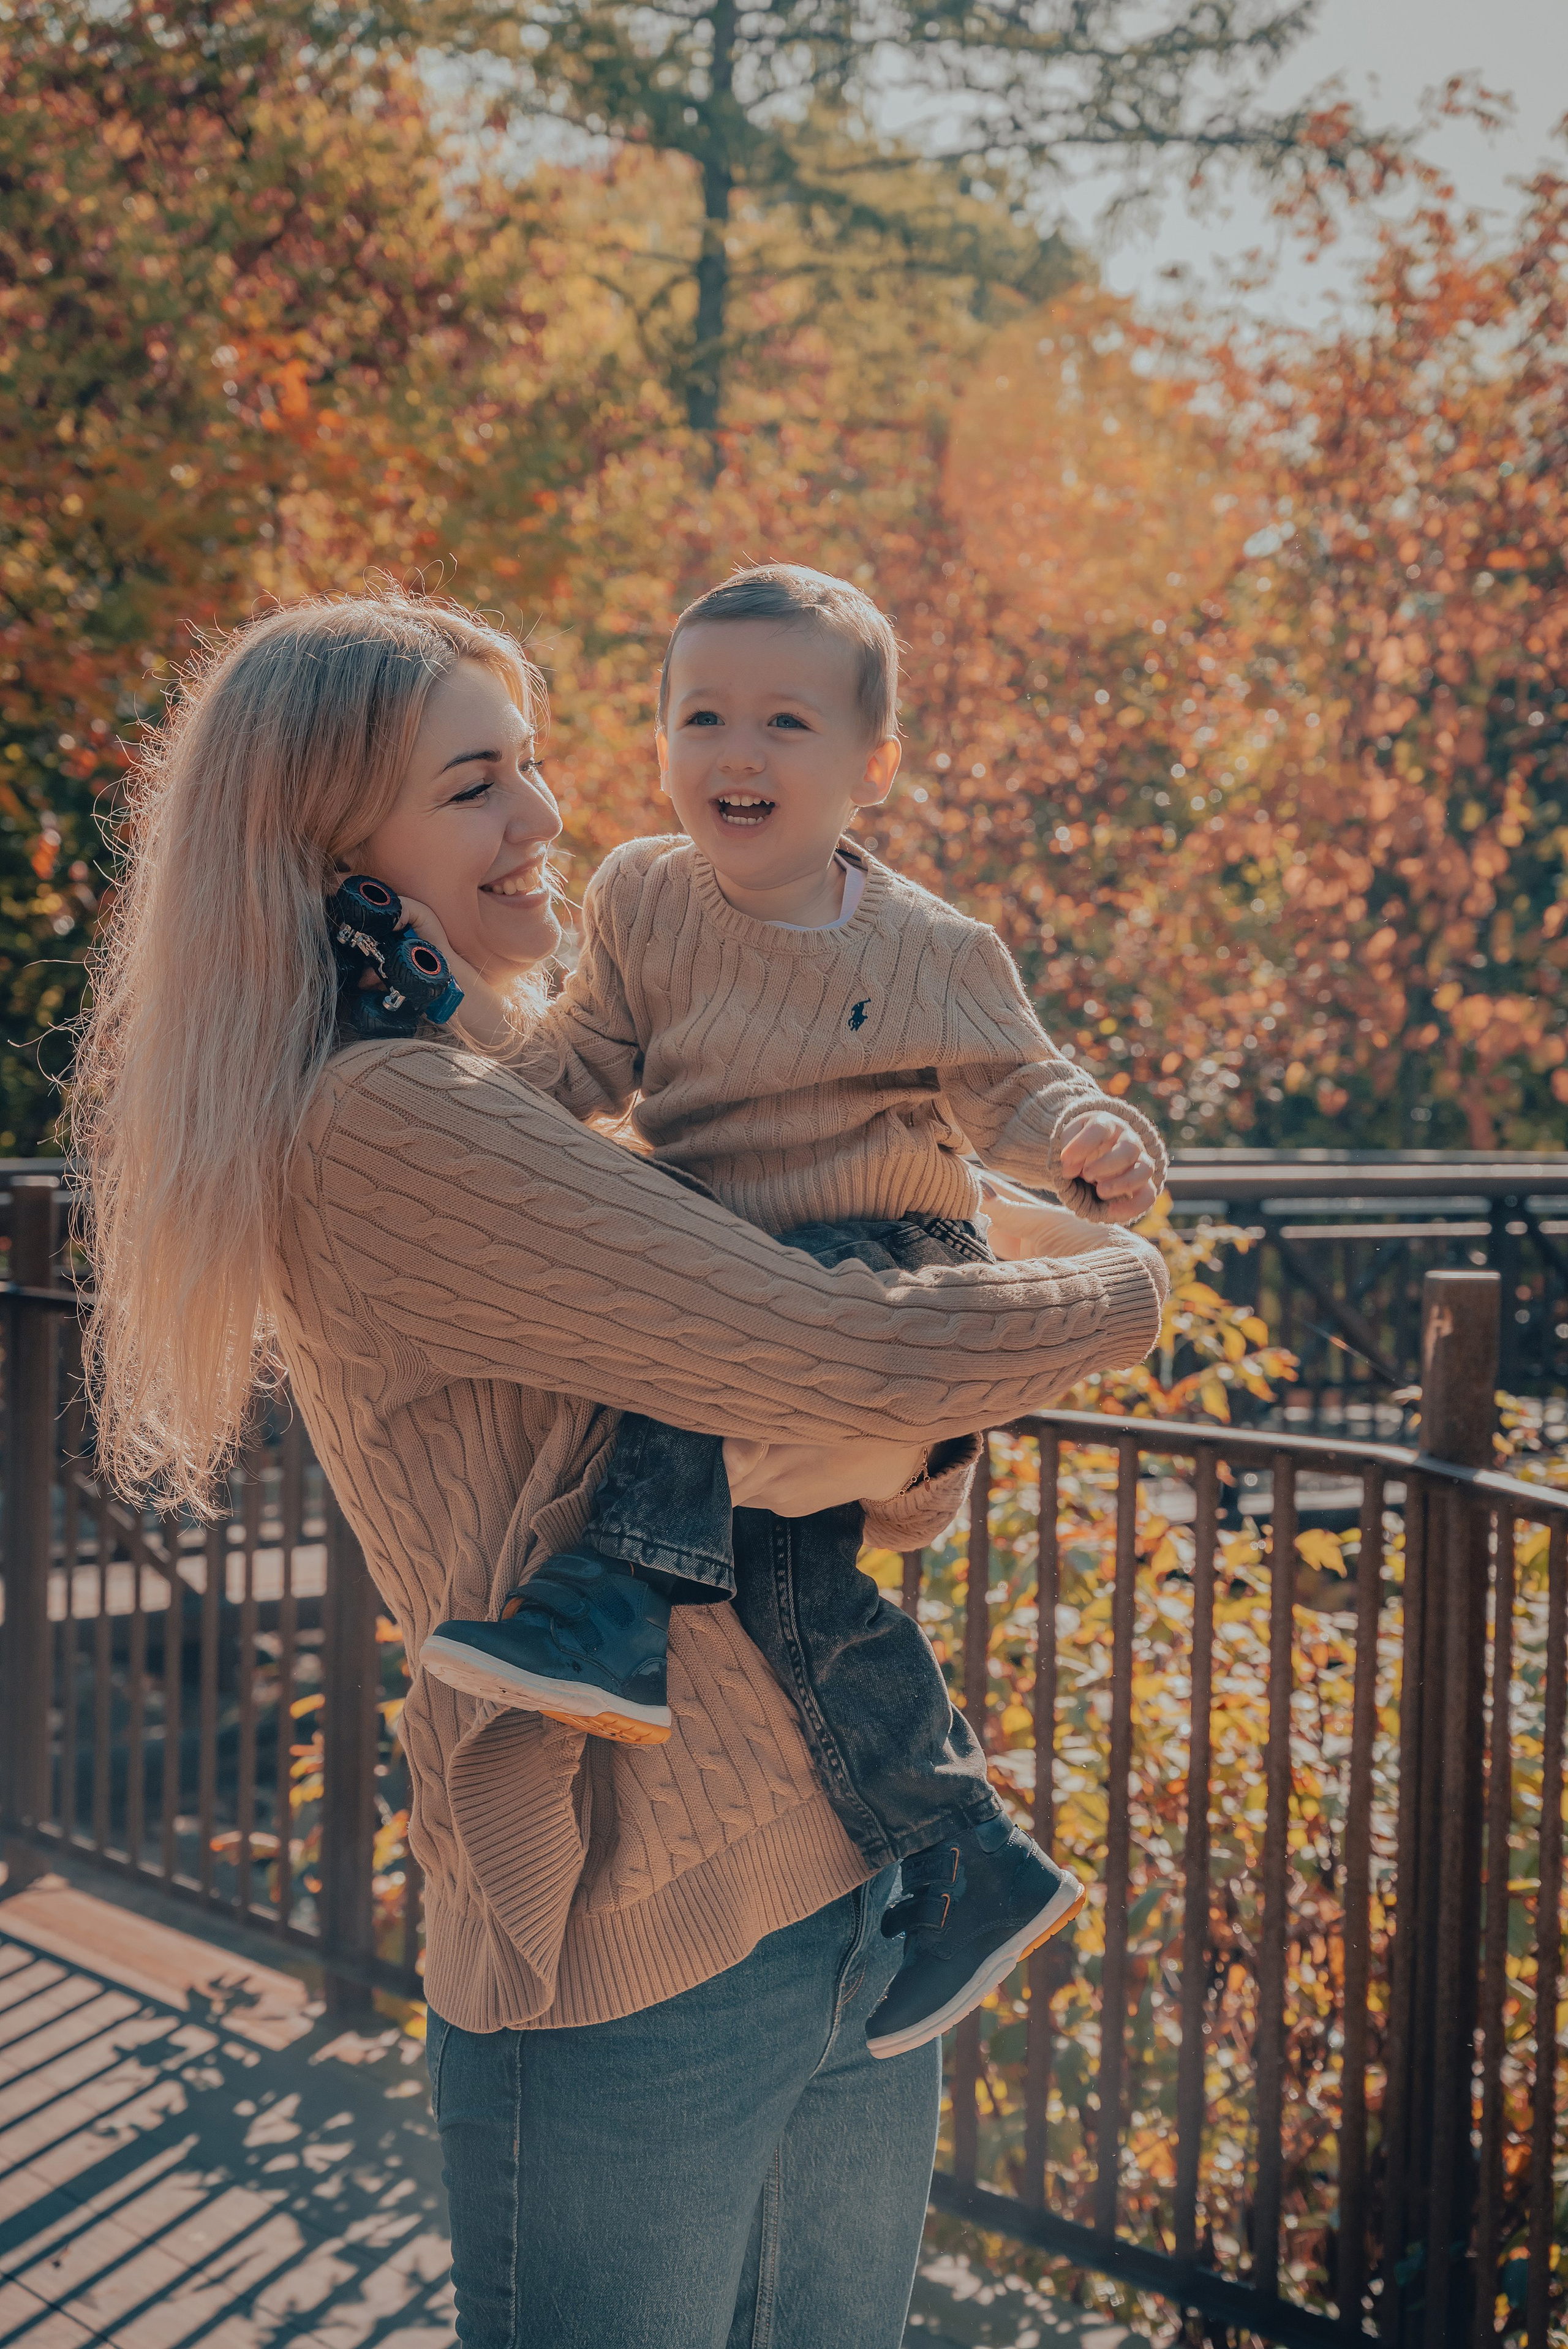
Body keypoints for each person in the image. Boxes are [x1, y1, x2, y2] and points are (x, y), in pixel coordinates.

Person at [75, 586, 1167, 2349]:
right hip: (638, 1947)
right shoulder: (387, 1122)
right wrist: (1123, 1285)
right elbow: (834, 1357)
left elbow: (840, 1439)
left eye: (531, 766)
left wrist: (921, 1355)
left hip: (845, 1879)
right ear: (328, 846)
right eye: (476, 784)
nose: (546, 818)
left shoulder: (468, 1092)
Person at [415, 564, 1166, 2057]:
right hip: (713, 1263)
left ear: (868, 766)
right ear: (659, 739)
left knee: (714, 1320)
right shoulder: (639, 891)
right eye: (699, 714)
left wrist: (1087, 1140)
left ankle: (609, 1607)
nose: (734, 752)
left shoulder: (929, 948)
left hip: (884, 1255)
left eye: (781, 721)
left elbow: (1015, 1085)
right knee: (792, 1589)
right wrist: (467, 1118)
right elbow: (590, 1058)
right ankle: (968, 1853)